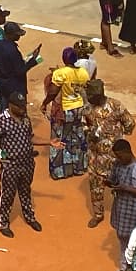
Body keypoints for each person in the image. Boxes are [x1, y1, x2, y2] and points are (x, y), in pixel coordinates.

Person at [0, 92, 56, 238]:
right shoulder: (0, 121)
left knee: (25, 191)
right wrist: (3, 160)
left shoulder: (26, 119)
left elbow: (30, 138)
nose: (23, 109)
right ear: (11, 105)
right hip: (11, 166)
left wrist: (49, 142)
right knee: (7, 194)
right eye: (20, 107)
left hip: (27, 163)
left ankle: (29, 217)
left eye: (23, 106)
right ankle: (3, 223)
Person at [83, 79, 136, 227]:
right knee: (95, 187)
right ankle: (98, 215)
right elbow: (83, 125)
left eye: (91, 96)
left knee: (119, 186)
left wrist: (117, 136)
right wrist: (89, 133)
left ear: (99, 95)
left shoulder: (116, 105)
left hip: (115, 158)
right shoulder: (87, 108)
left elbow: (130, 123)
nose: (89, 99)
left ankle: (122, 213)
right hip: (95, 157)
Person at [40, 47, 89, 180]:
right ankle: (78, 168)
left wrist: (44, 103)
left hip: (65, 109)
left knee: (58, 138)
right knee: (77, 137)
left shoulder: (60, 73)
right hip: (79, 109)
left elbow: (53, 92)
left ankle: (60, 171)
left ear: (64, 59)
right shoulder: (83, 72)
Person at [108, 138, 136, 269]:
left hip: (133, 210)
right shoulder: (117, 164)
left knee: (135, 241)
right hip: (120, 207)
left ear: (127, 152)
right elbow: (114, 180)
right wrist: (109, 183)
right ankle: (124, 268)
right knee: (122, 239)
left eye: (120, 156)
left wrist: (125, 188)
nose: (118, 159)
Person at [0, 20, 41, 102]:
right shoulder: (13, 50)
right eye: (16, 34)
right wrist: (33, 60)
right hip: (16, 87)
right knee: (18, 107)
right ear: (10, 35)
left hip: (3, 85)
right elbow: (20, 71)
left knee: (5, 106)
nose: (19, 36)